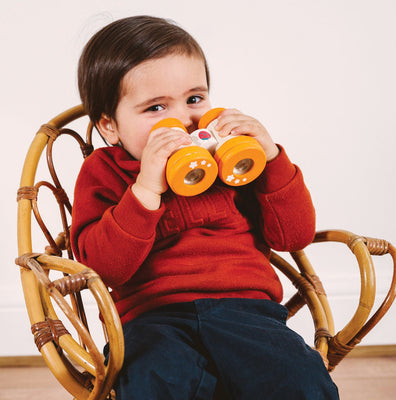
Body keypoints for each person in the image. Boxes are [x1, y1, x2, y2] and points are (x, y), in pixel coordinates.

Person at [71, 15, 339, 400]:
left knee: (302, 382)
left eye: (194, 99)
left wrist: (270, 157)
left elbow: (293, 236)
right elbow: (102, 269)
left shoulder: (232, 163)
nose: (184, 118)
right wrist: (146, 187)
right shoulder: (103, 171)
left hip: (247, 311)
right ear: (110, 126)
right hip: (151, 319)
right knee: (154, 383)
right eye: (156, 108)